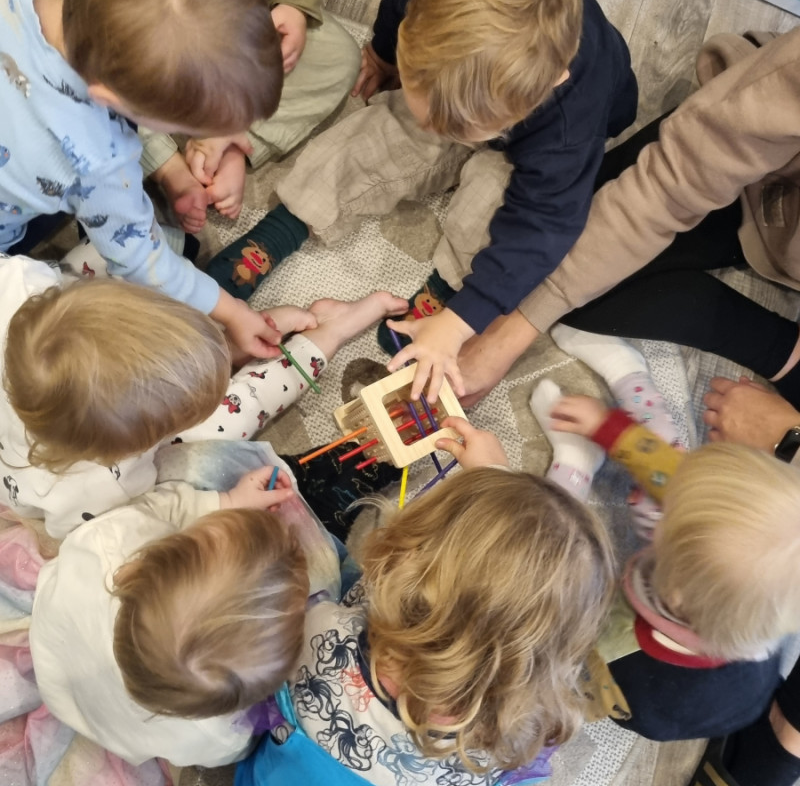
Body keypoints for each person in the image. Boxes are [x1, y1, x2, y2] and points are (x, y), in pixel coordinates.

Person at [204, 0, 637, 403]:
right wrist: (383, 53)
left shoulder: (569, 130)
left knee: (489, 212)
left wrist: (460, 322)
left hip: (536, 146)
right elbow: (400, 5)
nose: (439, 133)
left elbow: (540, 231)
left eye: (456, 128)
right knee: (376, 136)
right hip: (483, 96)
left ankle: (445, 293)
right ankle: (281, 229)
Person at [236, 419, 616, 786]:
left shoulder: (328, 635)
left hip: (284, 762)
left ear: (410, 563)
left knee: (300, 558)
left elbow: (352, 594)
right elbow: (507, 605)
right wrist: (494, 481)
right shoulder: (517, 740)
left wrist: (491, 480)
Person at [456, 29, 800, 417]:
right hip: (761, 178)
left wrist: (787, 437)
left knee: (570, 263)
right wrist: (506, 332)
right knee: (568, 246)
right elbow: (670, 182)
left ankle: (784, 351)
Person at [0, 254, 406, 537]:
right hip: (84, 471)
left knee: (122, 259)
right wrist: (224, 503)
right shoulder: (103, 490)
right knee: (234, 413)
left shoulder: (19, 283)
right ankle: (328, 333)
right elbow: (154, 514)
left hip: (92, 407)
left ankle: (229, 345)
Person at [532, 374, 800, 786]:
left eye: (669, 522)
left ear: (671, 594)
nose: (669, 496)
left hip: (643, 694)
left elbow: (555, 613)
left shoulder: (628, 652)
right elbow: (682, 483)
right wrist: (608, 426)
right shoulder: (767, 589)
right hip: (747, 692)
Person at [0, 0, 287, 359]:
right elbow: (142, 261)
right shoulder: (100, 161)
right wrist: (232, 311)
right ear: (108, 98)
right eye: (187, 127)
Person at [29, 468, 309, 767]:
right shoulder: (220, 737)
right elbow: (237, 750)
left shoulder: (106, 541)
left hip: (54, 659)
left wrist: (228, 501)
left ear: (134, 568)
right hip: (99, 715)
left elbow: (154, 508)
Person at [143, 0, 361, 233]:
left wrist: (294, 5)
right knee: (111, 108)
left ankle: (233, 135)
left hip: (239, 28)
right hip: (146, 48)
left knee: (338, 54)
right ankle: (171, 169)